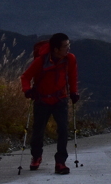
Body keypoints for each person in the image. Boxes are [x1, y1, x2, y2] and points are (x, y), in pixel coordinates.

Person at [21, 33, 79, 175]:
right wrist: (27, 90)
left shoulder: (69, 59)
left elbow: (72, 76)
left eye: (68, 45)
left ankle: (60, 162)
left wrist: (74, 92)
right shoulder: (41, 61)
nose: (68, 49)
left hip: (60, 99)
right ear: (55, 49)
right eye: (65, 46)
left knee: (63, 130)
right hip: (42, 100)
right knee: (38, 130)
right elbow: (26, 77)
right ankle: (36, 156)